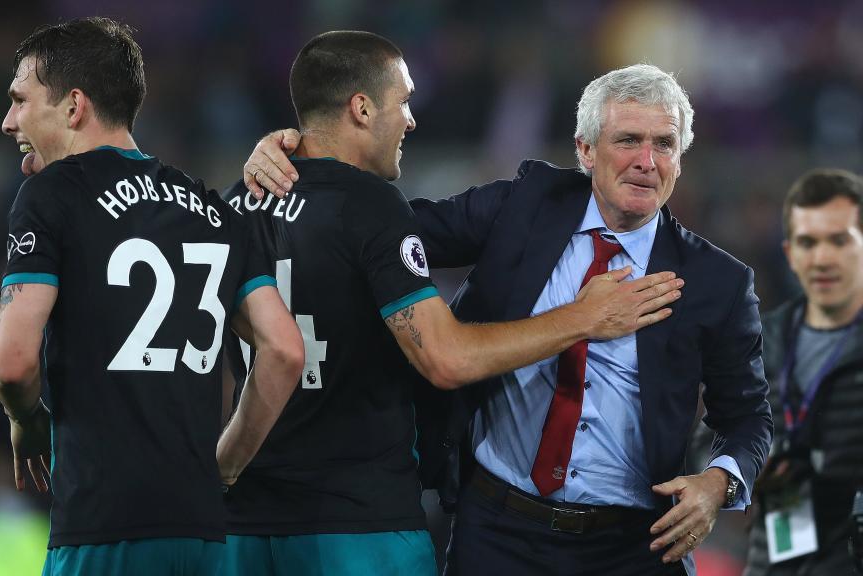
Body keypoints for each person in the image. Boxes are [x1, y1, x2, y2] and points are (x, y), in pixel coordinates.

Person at [245, 63, 774, 576]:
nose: (646, 160)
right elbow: (387, 230)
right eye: (628, 140)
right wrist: (303, 156)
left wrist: (718, 483)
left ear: (680, 158)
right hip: (500, 530)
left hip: (636, 545)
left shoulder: (718, 282)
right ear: (585, 150)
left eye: (664, 144)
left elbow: (748, 417)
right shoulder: (524, 204)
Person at [0, 17, 304, 576]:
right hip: (203, 534)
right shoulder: (212, 209)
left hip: (102, 528)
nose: (9, 120)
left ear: (73, 106)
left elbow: (13, 366)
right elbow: (282, 350)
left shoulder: (50, 195)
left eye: (20, 99)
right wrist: (225, 468)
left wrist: (25, 420)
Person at [743, 169, 863, 576]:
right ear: (790, 253)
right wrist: (747, 467)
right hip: (777, 558)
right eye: (809, 243)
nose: (823, 258)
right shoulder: (762, 339)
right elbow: (712, 437)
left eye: (839, 241)